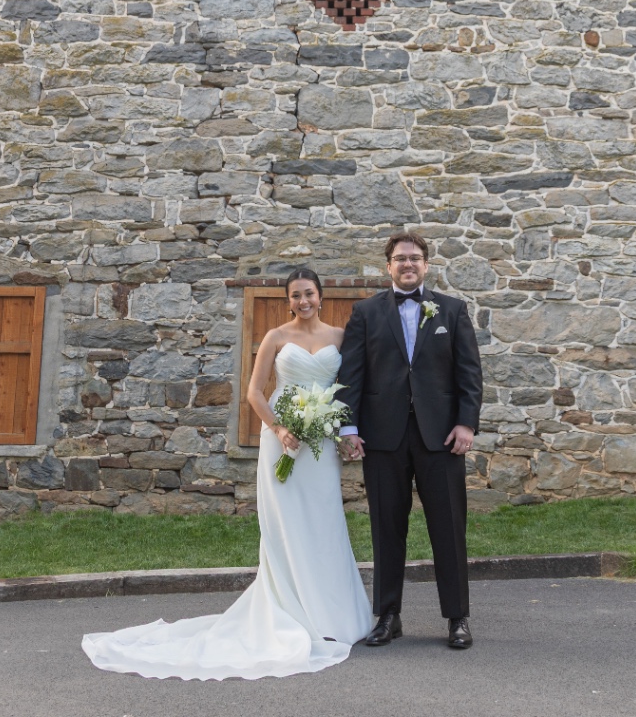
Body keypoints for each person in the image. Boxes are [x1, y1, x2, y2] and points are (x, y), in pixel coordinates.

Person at [81, 267, 372, 679]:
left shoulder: (340, 338)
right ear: (287, 300)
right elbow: (254, 391)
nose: (303, 301)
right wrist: (279, 427)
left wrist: (343, 432)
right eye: (295, 295)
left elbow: (352, 389)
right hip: (283, 439)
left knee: (325, 522)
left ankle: (332, 615)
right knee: (286, 526)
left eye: (309, 294)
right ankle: (290, 608)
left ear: (321, 296)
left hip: (321, 443)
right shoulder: (275, 337)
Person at [337, 231, 483, 650]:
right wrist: (349, 428)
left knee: (449, 529)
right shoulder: (365, 312)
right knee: (386, 528)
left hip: (441, 438)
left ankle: (457, 618)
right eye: (400, 258)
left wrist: (466, 424)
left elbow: (469, 374)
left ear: (426, 264)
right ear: (388, 266)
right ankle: (388, 615)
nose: (408, 264)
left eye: (415, 258)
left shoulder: (452, 311)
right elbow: (351, 375)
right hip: (383, 438)